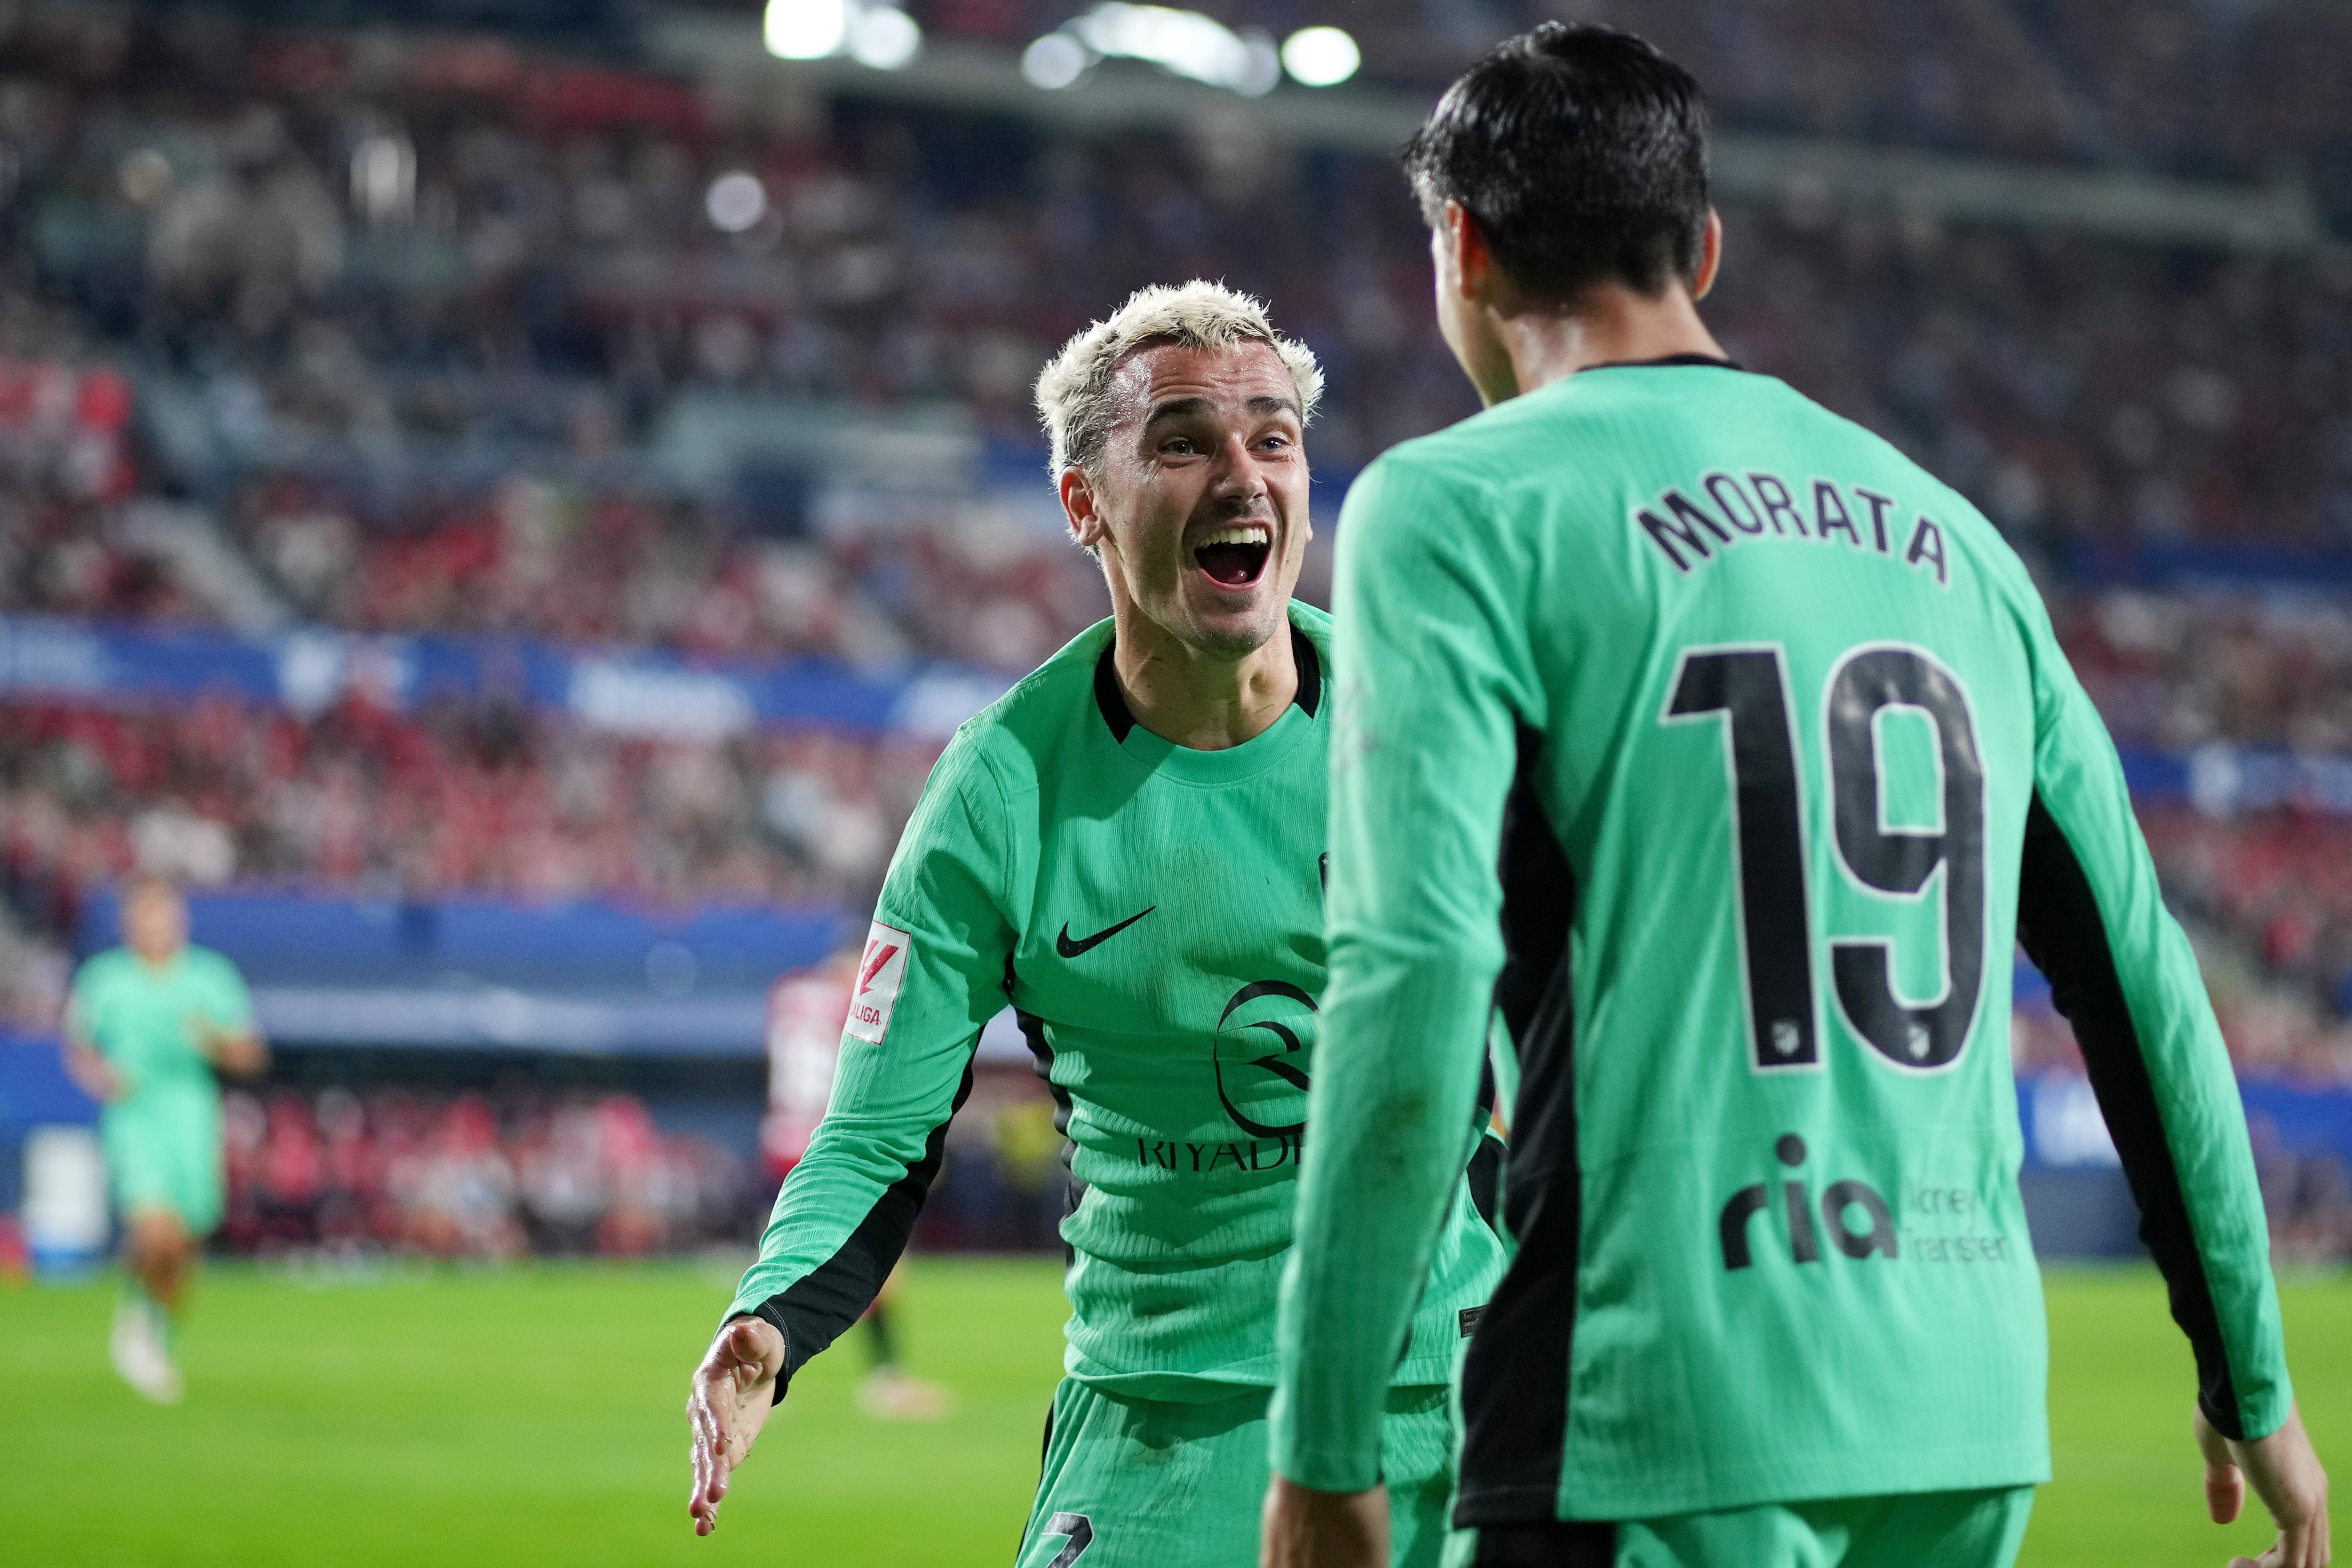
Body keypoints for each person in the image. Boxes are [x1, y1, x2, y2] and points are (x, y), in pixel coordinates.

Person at [1261, 25, 2328, 1568]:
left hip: (1650, 1407)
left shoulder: (1454, 501)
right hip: (1958, 1415)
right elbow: (2142, 981)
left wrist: (1325, 1443)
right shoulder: (1955, 536)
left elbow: (1414, 971)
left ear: (1464, 249)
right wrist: (2253, 1376)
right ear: (1705, 245)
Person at [685, 280, 1506, 1565]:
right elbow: (879, 1131)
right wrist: (772, 1319)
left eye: (1272, 437)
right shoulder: (1000, 788)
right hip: (1165, 1415)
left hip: (1458, 1405)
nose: (1242, 474)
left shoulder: (1438, 725)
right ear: (1086, 503)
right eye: (1182, 441)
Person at [61, 876, 266, 1403]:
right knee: (156, 1230)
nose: (158, 925)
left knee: (185, 1244)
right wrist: (101, 1076)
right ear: (130, 923)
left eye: (166, 915)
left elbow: (250, 1053)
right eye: (147, 915)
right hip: (136, 1114)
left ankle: (155, 1332)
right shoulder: (104, 980)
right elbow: (79, 1047)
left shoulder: (209, 977)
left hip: (193, 1115)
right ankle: (136, 1323)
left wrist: (216, 1042)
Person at [763, 943, 952, 1421]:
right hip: (830, 1140)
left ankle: (761, 1368)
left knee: (798, 1255)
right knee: (878, 1262)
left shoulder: (793, 994)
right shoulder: (850, 1000)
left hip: (782, 1135)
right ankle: (886, 1381)